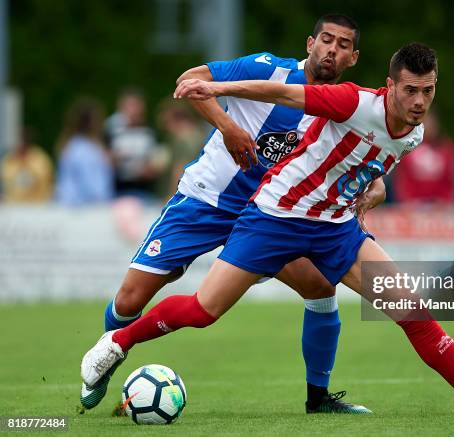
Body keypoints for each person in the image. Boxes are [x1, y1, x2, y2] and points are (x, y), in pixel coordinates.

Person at [82, 42, 454, 415]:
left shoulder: (415, 133)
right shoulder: (353, 102)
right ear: (390, 86)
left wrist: (373, 187)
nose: (419, 102)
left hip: (333, 228)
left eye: (428, 91)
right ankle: (119, 341)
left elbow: (363, 161)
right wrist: (216, 87)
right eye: (411, 90)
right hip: (275, 217)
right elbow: (279, 94)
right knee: (206, 310)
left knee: (411, 310)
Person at [80, 14, 380, 415]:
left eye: (343, 45)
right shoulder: (265, 69)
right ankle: (107, 360)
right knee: (130, 297)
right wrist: (227, 127)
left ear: (353, 58)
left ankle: (318, 398)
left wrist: (374, 186)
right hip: (207, 199)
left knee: (321, 287)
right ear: (310, 44)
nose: (332, 50)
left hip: (271, 215)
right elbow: (191, 81)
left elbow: (368, 163)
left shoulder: (343, 108)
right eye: (327, 40)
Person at [105, 88, 164, 201]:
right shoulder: (112, 132)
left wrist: (150, 169)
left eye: (135, 106)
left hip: (144, 190)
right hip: (118, 190)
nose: (132, 110)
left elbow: (156, 160)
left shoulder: (149, 132)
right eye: (129, 106)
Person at [391, 110, 454, 205]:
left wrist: (446, 201)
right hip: (412, 205)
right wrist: (408, 201)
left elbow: (452, 180)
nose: (428, 126)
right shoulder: (407, 146)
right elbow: (401, 179)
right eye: (425, 122)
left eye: (431, 122)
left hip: (440, 206)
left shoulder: (447, 149)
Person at [55, 98, 114, 206]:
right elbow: (95, 189)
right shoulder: (85, 151)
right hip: (82, 210)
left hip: (72, 207)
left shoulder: (71, 145)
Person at [1, 128, 54, 203]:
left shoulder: (39, 158)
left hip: (37, 205)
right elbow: (6, 178)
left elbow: (44, 178)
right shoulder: (10, 159)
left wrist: (28, 165)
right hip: (13, 205)